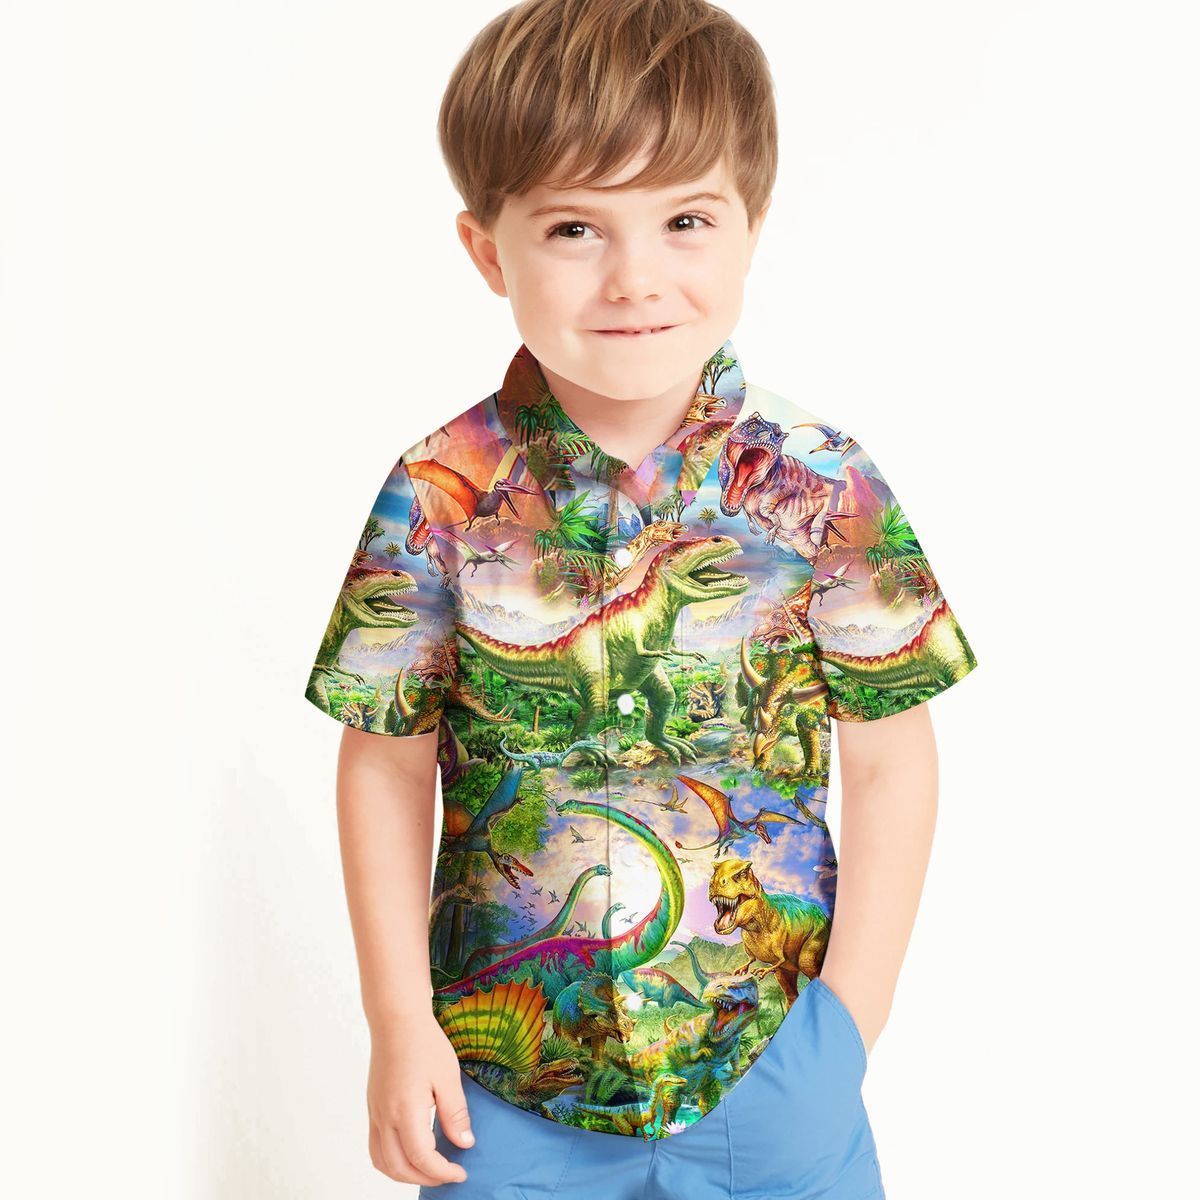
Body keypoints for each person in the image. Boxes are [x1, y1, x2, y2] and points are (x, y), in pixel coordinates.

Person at [302, 1, 978, 1196]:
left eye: (685, 220)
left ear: (752, 227)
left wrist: (845, 1028)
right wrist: (398, 1024)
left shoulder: (823, 487)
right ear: (486, 251)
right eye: (575, 227)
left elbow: (891, 759)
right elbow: (385, 765)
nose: (635, 278)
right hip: (506, 1081)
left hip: (769, 1065)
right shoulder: (437, 494)